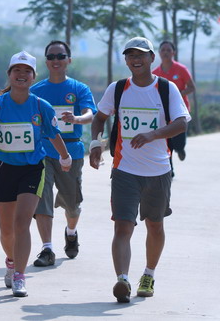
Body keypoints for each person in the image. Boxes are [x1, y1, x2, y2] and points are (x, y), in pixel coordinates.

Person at [89, 36, 190, 303]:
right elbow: (99, 118)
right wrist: (96, 144)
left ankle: (148, 274)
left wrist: (152, 135)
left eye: (141, 55)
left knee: (155, 226)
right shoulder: (118, 89)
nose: (136, 60)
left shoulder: (166, 88)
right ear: (126, 60)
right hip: (125, 170)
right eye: (131, 55)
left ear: (151, 58)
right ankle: (122, 279)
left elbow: (181, 123)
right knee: (123, 226)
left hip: (158, 171)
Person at [0, 51, 72, 298]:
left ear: (33, 77)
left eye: (27, 71)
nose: (22, 75)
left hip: (32, 168)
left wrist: (65, 157)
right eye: (17, 70)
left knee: (22, 223)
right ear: (9, 75)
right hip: (5, 169)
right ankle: (11, 261)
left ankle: (20, 275)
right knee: (7, 230)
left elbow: (54, 134)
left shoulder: (41, 106)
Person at [30, 40, 96, 267]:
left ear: (69, 60)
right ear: (46, 62)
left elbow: (90, 114)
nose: (55, 61)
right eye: (51, 57)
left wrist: (77, 119)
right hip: (43, 151)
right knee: (42, 198)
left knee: (72, 204)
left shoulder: (79, 89)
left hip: (71, 151)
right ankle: (47, 249)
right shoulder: (36, 91)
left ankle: (71, 232)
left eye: (60, 56)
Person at [152, 40, 195, 161]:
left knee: (179, 139)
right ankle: (169, 167)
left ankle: (180, 149)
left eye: (168, 50)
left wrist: (178, 95)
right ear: (159, 53)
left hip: (180, 109)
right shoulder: (155, 73)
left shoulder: (181, 69)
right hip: (163, 110)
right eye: (163, 50)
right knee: (166, 141)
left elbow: (192, 87)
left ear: (173, 53)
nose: (165, 52)